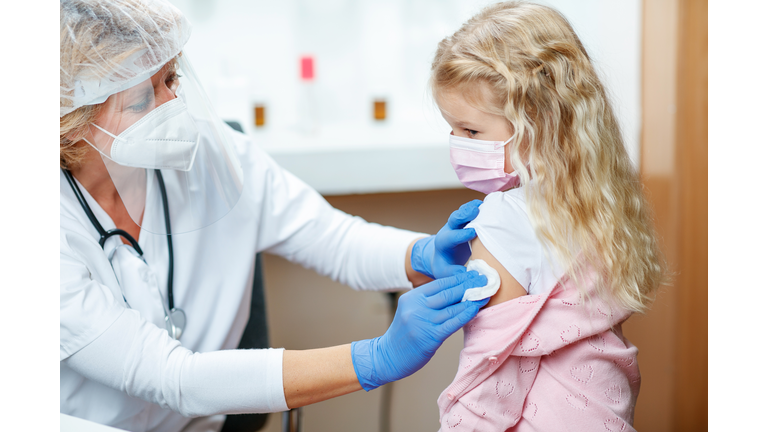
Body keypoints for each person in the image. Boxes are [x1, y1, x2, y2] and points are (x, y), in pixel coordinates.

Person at [59, 1, 492, 431]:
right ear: (69, 119)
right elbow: (175, 379)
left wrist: (419, 254)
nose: (172, 106)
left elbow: (330, 238)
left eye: (171, 79)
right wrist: (375, 357)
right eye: (140, 99)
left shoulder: (210, 153)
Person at [428, 2, 666, 431]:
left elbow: (490, 374)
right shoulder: (600, 197)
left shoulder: (504, 217)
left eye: (471, 131)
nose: (456, 143)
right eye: (451, 128)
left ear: (537, 121)